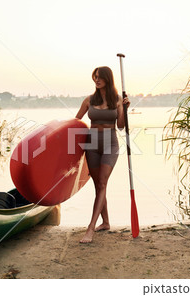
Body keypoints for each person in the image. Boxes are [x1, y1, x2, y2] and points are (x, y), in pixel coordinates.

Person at [75, 66, 130, 243]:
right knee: (98, 185)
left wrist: (126, 110)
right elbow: (75, 122)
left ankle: (90, 228)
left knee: (102, 182)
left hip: (110, 143)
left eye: (100, 77)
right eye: (95, 77)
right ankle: (105, 222)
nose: (96, 80)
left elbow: (120, 126)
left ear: (108, 78)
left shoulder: (117, 100)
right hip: (91, 144)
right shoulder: (89, 100)